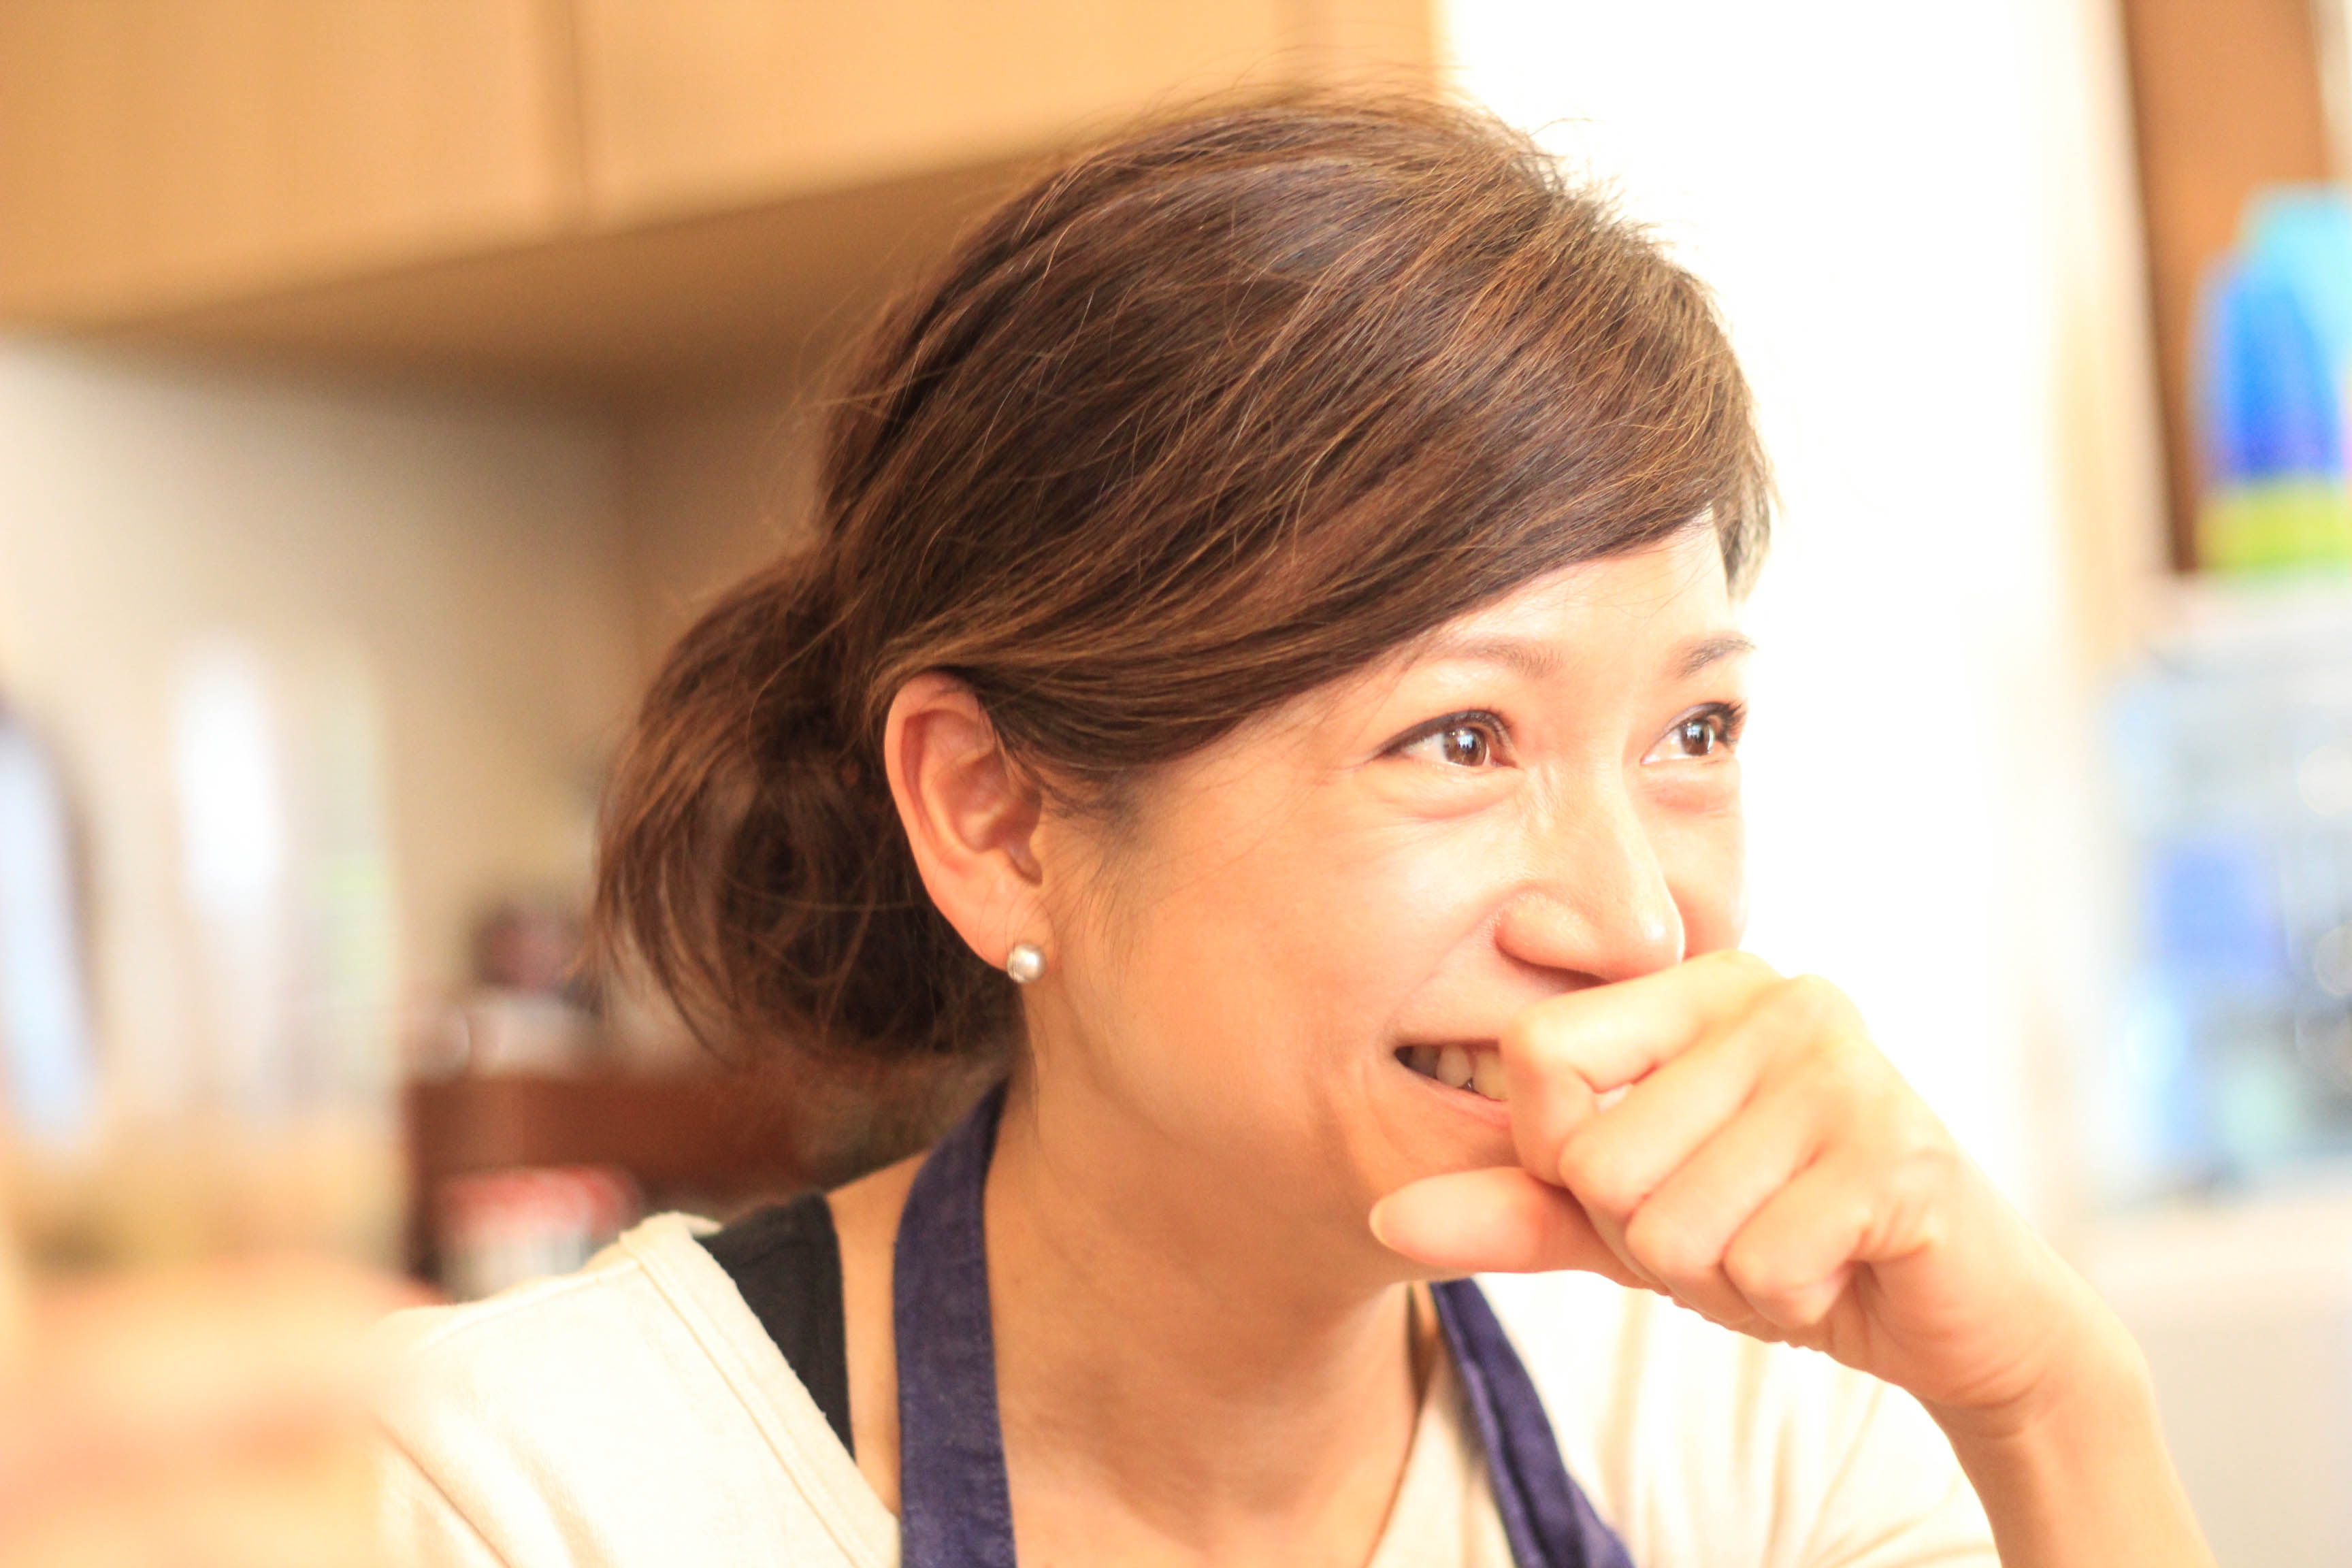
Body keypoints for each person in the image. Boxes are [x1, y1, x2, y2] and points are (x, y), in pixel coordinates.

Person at [374, 98, 2215, 1567]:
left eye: (1692, 732)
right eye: (1462, 737)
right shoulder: (534, 1496)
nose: (1638, 927)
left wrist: (2052, 1402)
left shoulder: (1753, 1438)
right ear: (997, 817)